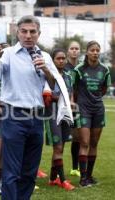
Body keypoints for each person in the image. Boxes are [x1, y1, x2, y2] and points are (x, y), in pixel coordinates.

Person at [0, 15, 59, 200]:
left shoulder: (45, 56)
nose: (28, 35)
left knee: (29, 171)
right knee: (12, 171)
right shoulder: (8, 54)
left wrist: (47, 71)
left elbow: (56, 87)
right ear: (17, 33)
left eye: (32, 32)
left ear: (38, 34)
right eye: (24, 31)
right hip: (14, 115)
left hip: (37, 117)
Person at [72, 41, 111, 187]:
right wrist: (80, 103)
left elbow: (104, 89)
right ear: (87, 52)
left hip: (98, 109)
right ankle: (83, 178)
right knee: (85, 143)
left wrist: (95, 99)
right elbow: (74, 90)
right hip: (83, 110)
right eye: (92, 50)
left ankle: (89, 175)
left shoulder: (105, 69)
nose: (95, 52)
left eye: (97, 50)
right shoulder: (79, 69)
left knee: (94, 143)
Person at [46, 49, 75, 191]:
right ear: (52, 60)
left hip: (65, 113)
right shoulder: (49, 75)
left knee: (61, 147)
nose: (62, 61)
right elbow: (46, 95)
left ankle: (52, 179)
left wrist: (70, 103)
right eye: (58, 58)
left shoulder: (68, 76)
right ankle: (63, 180)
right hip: (52, 113)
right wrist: (62, 99)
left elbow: (70, 93)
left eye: (63, 58)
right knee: (57, 147)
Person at [65, 41, 82, 177]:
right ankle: (55, 171)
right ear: (68, 51)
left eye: (77, 48)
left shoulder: (82, 67)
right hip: (63, 106)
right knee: (61, 138)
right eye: (72, 48)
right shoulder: (63, 66)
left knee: (77, 138)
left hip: (79, 106)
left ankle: (75, 167)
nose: (74, 51)